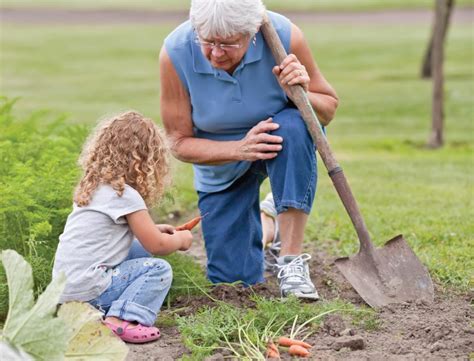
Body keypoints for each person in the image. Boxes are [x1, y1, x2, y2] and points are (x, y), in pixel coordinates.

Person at [159, 0, 338, 299]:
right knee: (234, 282)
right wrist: (240, 148)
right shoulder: (175, 52)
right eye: (208, 41)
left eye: (227, 44)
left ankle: (291, 262)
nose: (215, 53)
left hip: (281, 144)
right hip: (222, 163)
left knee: (294, 125)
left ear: (251, 32)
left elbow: (327, 111)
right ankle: (270, 223)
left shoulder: (284, 36)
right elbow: (177, 142)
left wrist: (300, 92)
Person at [52, 111, 193, 343]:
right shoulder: (125, 195)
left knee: (138, 249)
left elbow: (112, 234)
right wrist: (181, 240)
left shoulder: (93, 187)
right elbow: (157, 245)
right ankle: (120, 320)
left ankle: (82, 316)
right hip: (90, 290)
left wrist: (155, 228)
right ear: (146, 161)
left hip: (66, 292)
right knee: (158, 268)